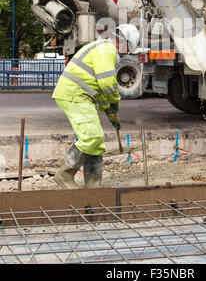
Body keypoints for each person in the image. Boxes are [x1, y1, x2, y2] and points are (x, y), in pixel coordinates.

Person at [52, 24, 140, 189]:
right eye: (128, 50)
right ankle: (64, 175)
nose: (126, 54)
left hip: (81, 96)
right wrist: (115, 102)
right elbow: (107, 84)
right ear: (124, 42)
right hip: (74, 94)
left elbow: (100, 90)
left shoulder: (103, 49)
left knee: (97, 142)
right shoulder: (107, 50)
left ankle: (93, 186)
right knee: (91, 137)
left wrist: (109, 112)